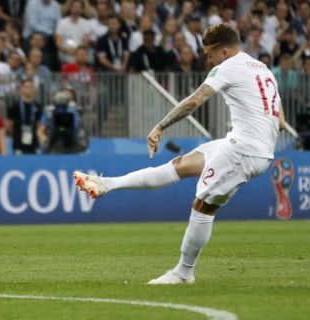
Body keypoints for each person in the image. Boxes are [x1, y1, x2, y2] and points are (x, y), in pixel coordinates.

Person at [73, 23, 288, 285]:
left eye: (210, 54)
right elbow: (280, 120)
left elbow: (194, 101)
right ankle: (108, 184)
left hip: (243, 150)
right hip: (248, 146)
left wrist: (160, 125)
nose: (208, 60)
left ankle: (184, 273)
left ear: (225, 51)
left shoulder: (229, 67)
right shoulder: (264, 70)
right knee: (178, 166)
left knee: (203, 206)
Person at [6, 79, 47, 155]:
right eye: (26, 87)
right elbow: (9, 126)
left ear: (34, 89)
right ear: (21, 88)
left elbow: (40, 126)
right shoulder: (15, 107)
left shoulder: (38, 107)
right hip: (18, 145)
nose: (28, 89)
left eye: (30, 87)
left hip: (34, 145)